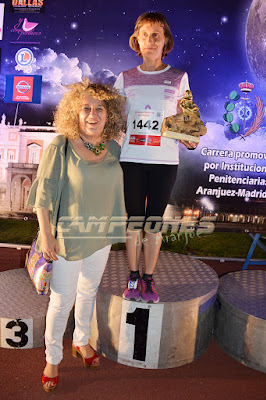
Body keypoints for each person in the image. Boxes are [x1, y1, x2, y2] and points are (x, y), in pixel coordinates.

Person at [27, 79, 126, 392]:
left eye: (99, 108)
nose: (92, 114)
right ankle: (52, 358)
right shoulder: (62, 145)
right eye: (86, 108)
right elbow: (44, 193)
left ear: (109, 114)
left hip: (102, 235)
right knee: (61, 301)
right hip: (68, 238)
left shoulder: (113, 147)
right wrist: (47, 235)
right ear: (75, 112)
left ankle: (82, 341)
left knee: (89, 290)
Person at [114, 12, 198, 304]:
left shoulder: (178, 77)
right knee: (134, 222)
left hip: (164, 162)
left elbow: (188, 121)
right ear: (136, 40)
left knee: (154, 223)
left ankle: (148, 278)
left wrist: (190, 137)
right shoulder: (125, 78)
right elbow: (116, 121)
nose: (150, 40)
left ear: (166, 41)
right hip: (132, 158)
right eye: (144, 34)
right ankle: (133, 275)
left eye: (156, 35)